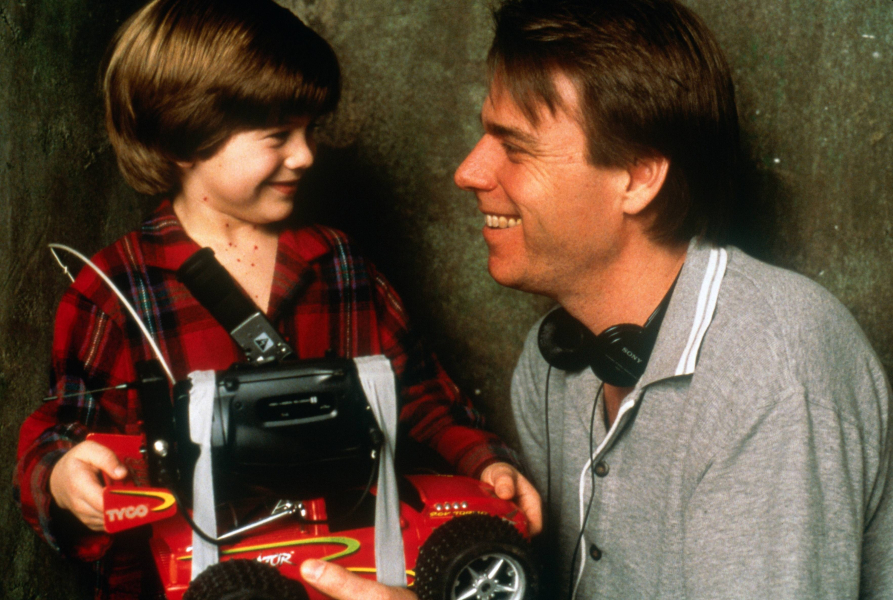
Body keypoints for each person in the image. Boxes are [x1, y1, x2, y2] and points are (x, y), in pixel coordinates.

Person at [13, 1, 540, 598]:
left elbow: (420, 394)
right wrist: (61, 478)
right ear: (185, 137)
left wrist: (485, 461)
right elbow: (59, 434)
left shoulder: (338, 263)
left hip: (341, 567)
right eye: (277, 136)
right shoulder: (114, 291)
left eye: (308, 130)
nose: (306, 155)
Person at [453, 0, 893, 598]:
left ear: (638, 178)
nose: (469, 172)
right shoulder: (548, 360)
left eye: (516, 147)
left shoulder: (774, 374)